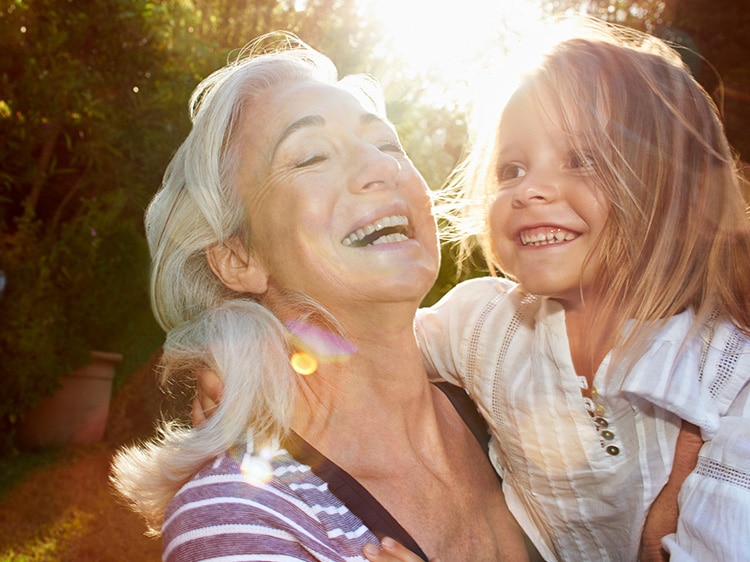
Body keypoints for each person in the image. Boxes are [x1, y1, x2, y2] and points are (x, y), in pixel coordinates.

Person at [109, 32, 536, 561]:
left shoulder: (516, 400)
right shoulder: (239, 515)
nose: (384, 168)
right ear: (239, 258)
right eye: (310, 157)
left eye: (387, 144)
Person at [410, 18, 750, 562]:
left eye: (583, 159)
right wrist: (250, 355)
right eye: (512, 168)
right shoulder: (483, 324)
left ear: (679, 193)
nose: (530, 190)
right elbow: (363, 355)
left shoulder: (729, 377)